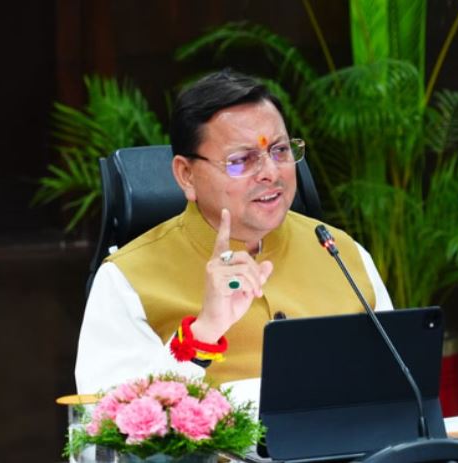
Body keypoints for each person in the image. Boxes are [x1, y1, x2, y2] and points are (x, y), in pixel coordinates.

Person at [75, 70, 393, 393]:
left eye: (280, 151)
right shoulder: (126, 279)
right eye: (242, 160)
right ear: (186, 175)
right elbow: (108, 418)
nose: (271, 172)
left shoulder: (342, 254)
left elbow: (400, 391)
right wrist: (203, 333)